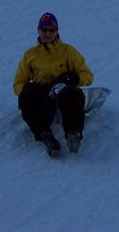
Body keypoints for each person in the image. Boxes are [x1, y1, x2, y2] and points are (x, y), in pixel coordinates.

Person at [13, 12, 94, 157]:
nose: (48, 33)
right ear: (38, 31)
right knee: (26, 96)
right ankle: (46, 136)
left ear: (57, 31)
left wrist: (74, 78)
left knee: (73, 94)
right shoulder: (31, 55)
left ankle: (73, 134)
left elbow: (88, 76)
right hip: (43, 96)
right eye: (44, 30)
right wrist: (28, 92)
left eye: (52, 30)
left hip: (64, 93)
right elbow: (18, 82)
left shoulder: (68, 51)